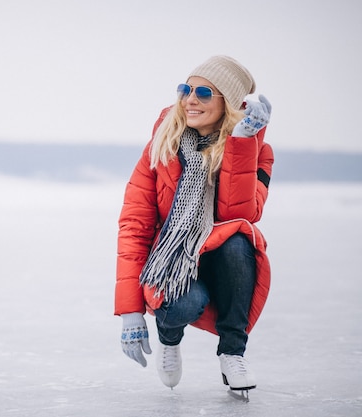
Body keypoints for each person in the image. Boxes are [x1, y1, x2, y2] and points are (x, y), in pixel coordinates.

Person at [115, 55, 273, 392]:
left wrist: (241, 144)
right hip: (171, 262)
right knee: (184, 304)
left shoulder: (258, 150)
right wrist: (130, 312)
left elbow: (242, 212)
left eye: (203, 92)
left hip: (223, 262)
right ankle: (169, 338)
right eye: (185, 89)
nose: (190, 99)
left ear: (228, 104)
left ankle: (232, 354)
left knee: (239, 239)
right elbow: (134, 224)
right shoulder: (161, 147)